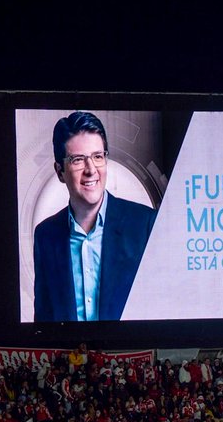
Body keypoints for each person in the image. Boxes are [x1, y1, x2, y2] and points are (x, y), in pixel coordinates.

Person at [33, 111, 157, 321]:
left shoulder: (144, 225)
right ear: (60, 171)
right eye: (78, 160)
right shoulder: (46, 235)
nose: (91, 170)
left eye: (98, 157)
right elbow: (44, 319)